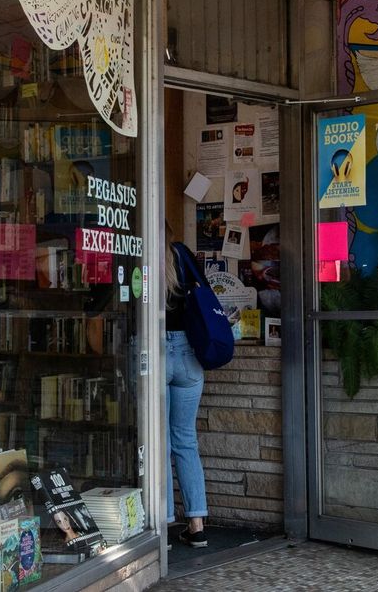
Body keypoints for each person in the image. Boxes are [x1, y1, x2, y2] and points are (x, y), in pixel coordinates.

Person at [164, 226, 209, 548]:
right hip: (189, 355)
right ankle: (196, 524)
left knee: (158, 444)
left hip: (157, 351)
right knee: (185, 441)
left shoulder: (139, 254)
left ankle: (163, 523)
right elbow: (205, 290)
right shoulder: (181, 253)